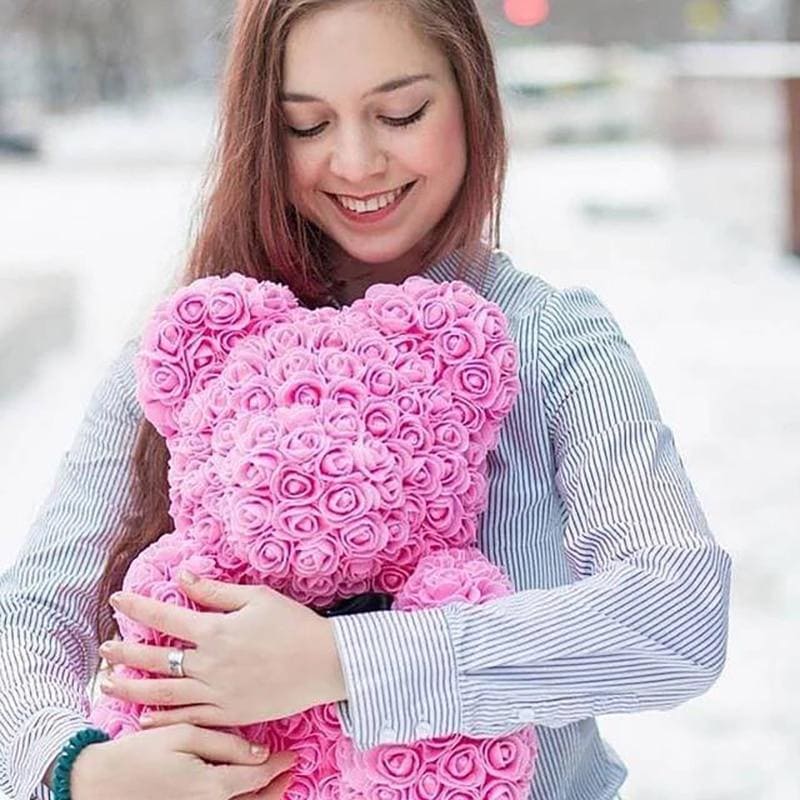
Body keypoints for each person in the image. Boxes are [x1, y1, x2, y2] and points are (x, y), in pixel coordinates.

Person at [0, 1, 732, 799]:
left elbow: (679, 609)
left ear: (472, 96)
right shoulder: (203, 341)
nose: (356, 162)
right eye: (308, 126)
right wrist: (80, 769)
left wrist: (342, 663)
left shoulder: (549, 342)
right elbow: (30, 619)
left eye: (400, 112)